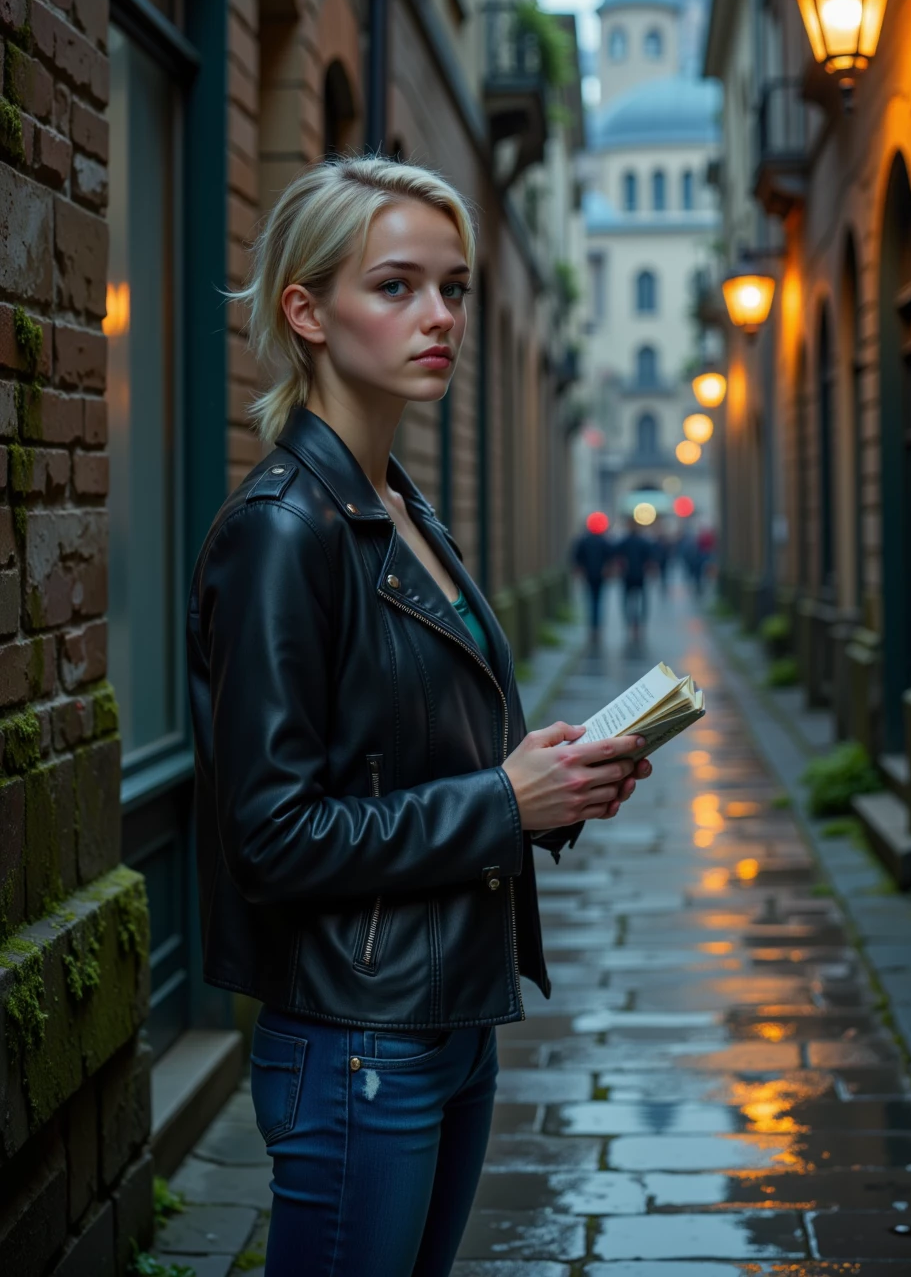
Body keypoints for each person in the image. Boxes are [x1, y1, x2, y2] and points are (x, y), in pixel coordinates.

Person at [186, 157, 654, 1277]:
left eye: (452, 288)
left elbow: (403, 761)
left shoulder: (402, 509)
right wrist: (501, 799)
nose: (439, 316)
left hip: (449, 1018)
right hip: (360, 1038)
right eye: (396, 286)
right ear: (305, 310)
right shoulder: (282, 531)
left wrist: (549, 787)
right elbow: (271, 836)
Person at [613, 519, 657, 645]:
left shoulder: (624, 542)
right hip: (638, 576)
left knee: (629, 601)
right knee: (640, 601)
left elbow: (617, 557)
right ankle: (637, 624)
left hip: (629, 576)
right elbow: (650, 559)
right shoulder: (643, 542)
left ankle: (631, 623)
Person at [571, 518, 612, 639]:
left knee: (590, 601)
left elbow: (576, 558)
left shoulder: (583, 541)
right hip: (599, 576)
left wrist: (579, 570)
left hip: (589, 576)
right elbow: (610, 558)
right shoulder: (604, 541)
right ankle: (596, 627)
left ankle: (592, 627)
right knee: (598, 601)